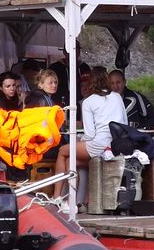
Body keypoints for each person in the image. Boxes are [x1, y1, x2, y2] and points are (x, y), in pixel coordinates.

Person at [53, 68, 127, 203]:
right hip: (116, 144)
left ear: (91, 82)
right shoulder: (117, 97)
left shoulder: (88, 101)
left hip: (99, 144)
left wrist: (80, 140)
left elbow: (90, 134)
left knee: (63, 151)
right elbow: (125, 123)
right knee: (71, 162)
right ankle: (81, 202)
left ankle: (57, 196)